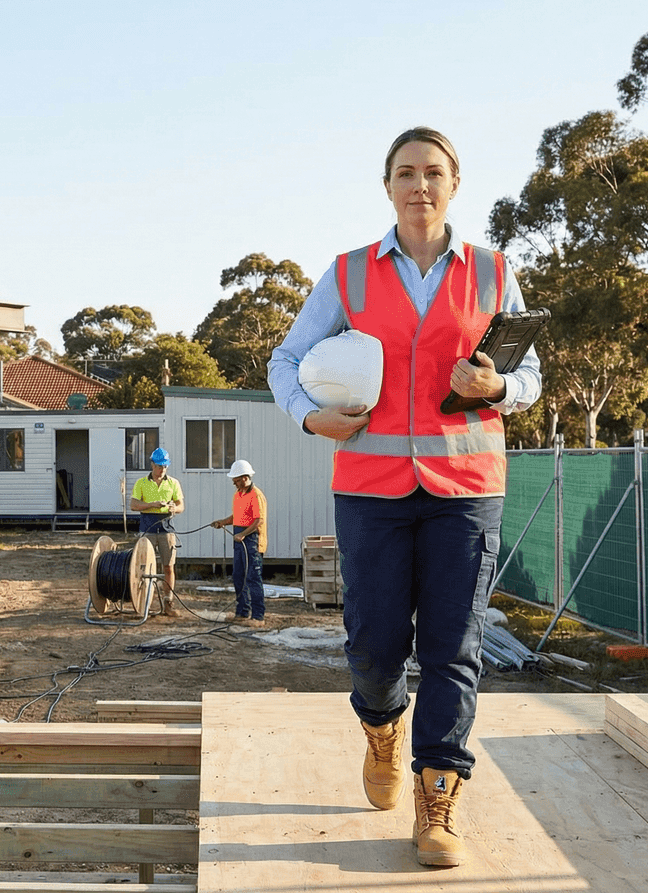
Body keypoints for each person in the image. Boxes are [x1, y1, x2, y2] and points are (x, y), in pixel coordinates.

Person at [268, 126, 542, 869]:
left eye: (433, 173)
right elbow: (285, 358)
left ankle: (438, 794)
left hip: (466, 489)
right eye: (405, 173)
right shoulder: (350, 274)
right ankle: (383, 728)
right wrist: (309, 414)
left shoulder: (491, 271)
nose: (419, 185)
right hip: (370, 490)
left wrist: (499, 387)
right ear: (386, 186)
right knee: (374, 643)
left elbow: (531, 375)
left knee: (454, 646)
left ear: (454, 184)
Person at [210, 459, 267, 626]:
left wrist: (242, 534)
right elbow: (237, 517)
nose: (234, 483)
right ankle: (242, 612)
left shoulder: (256, 495)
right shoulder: (238, 495)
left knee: (253, 578)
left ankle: (258, 617)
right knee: (238, 576)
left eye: (236, 479)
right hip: (240, 537)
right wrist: (222, 522)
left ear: (245, 477)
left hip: (252, 540)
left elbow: (258, 520)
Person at [128, 446, 183, 615]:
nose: (162, 470)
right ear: (152, 465)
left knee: (168, 567)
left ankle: (168, 603)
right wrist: (152, 505)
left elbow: (181, 506)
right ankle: (143, 602)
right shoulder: (141, 483)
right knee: (144, 567)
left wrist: (174, 507)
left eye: (164, 466)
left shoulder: (173, 483)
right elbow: (133, 505)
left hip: (166, 529)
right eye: (159, 466)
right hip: (147, 528)